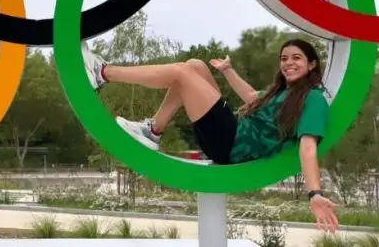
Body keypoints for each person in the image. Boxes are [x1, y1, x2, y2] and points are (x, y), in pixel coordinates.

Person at [81, 38, 339, 232]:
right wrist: (227, 70)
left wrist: (314, 193)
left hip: (233, 143)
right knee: (194, 66)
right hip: (230, 134)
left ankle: (104, 73)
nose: (289, 63)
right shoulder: (282, 92)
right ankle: (153, 131)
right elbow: (250, 97)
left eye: (296, 58)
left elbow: (308, 147)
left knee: (182, 73)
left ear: (312, 64)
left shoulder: (312, 98)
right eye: (284, 58)